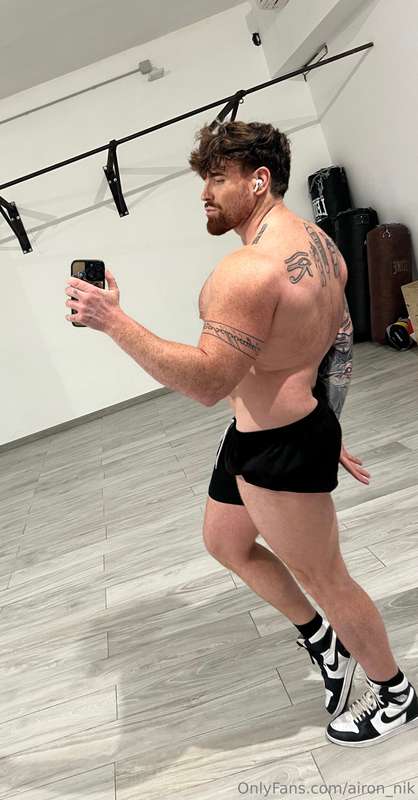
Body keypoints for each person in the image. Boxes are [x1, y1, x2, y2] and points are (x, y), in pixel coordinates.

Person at [65, 120, 418, 747]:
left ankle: (395, 694)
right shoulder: (322, 244)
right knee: (225, 541)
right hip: (273, 432)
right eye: (204, 180)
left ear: (258, 181)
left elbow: (207, 382)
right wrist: (328, 420)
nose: (205, 193)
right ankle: (322, 640)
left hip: (280, 447)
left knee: (327, 578)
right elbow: (336, 337)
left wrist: (112, 321)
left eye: (217, 179)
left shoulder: (246, 271)